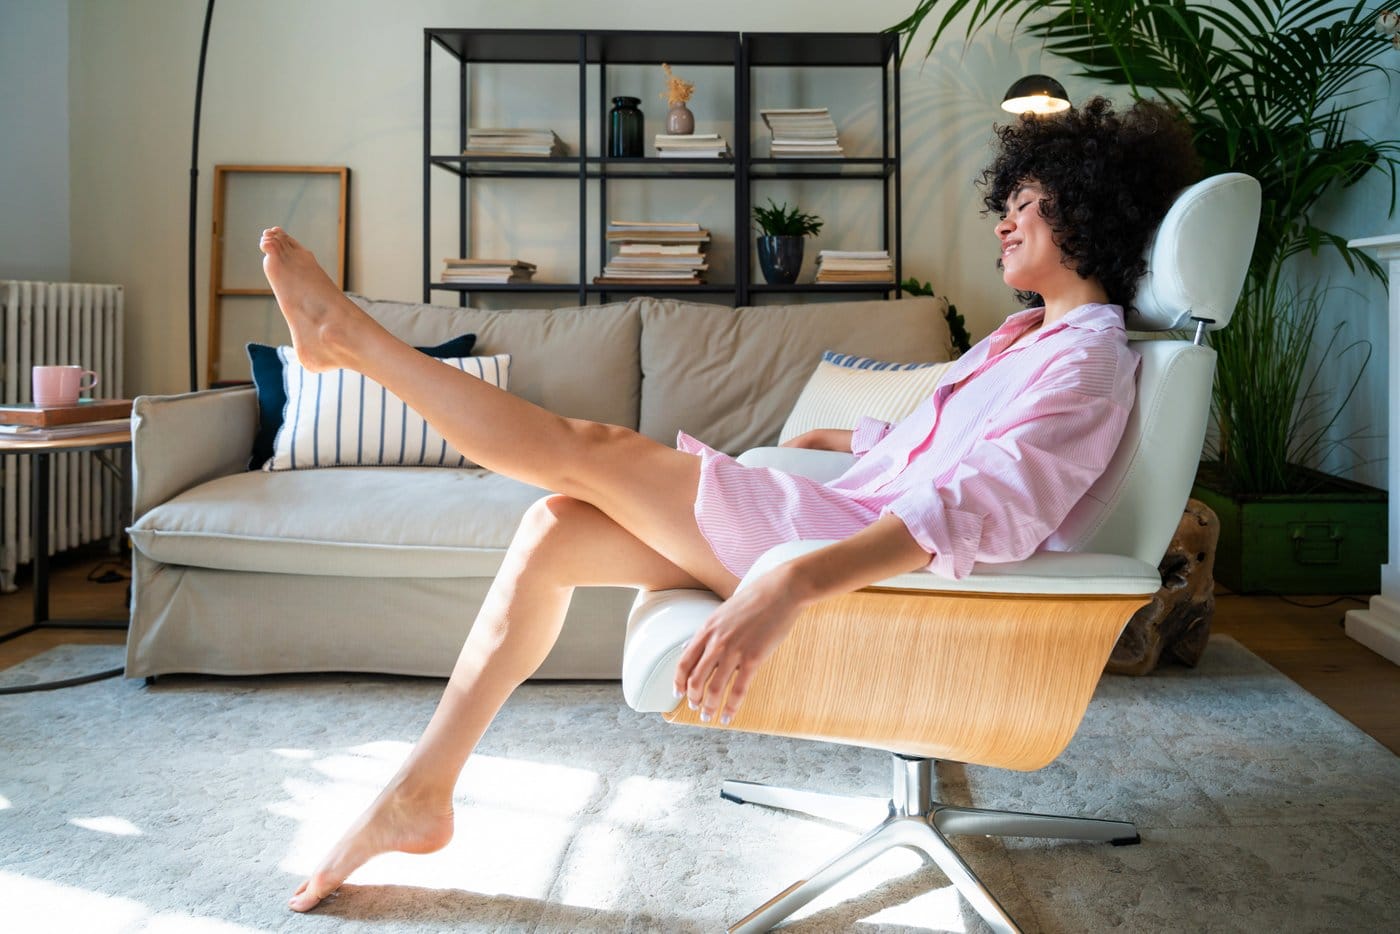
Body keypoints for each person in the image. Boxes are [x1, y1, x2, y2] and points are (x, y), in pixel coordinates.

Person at [269, 95, 1201, 912]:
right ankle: (422, 794)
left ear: (1086, 211)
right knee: (556, 527)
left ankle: (352, 340)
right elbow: (939, 452)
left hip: (857, 561)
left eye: (1026, 203)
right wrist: (850, 440)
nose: (1003, 222)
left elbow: (981, 507)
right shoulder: (1025, 339)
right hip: (846, 519)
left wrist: (791, 581)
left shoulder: (1087, 360)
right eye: (1007, 204)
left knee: (590, 449)